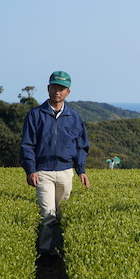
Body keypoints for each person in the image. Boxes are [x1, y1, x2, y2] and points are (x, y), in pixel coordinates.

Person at [20, 71, 91, 253]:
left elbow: (81, 146)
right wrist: (31, 170)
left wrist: (81, 171)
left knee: (62, 214)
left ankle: (61, 249)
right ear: (48, 88)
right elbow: (27, 145)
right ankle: (46, 252)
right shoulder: (35, 115)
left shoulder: (74, 117)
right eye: (54, 87)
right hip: (43, 172)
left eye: (61, 89)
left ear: (68, 91)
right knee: (48, 214)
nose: (57, 92)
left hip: (66, 171)